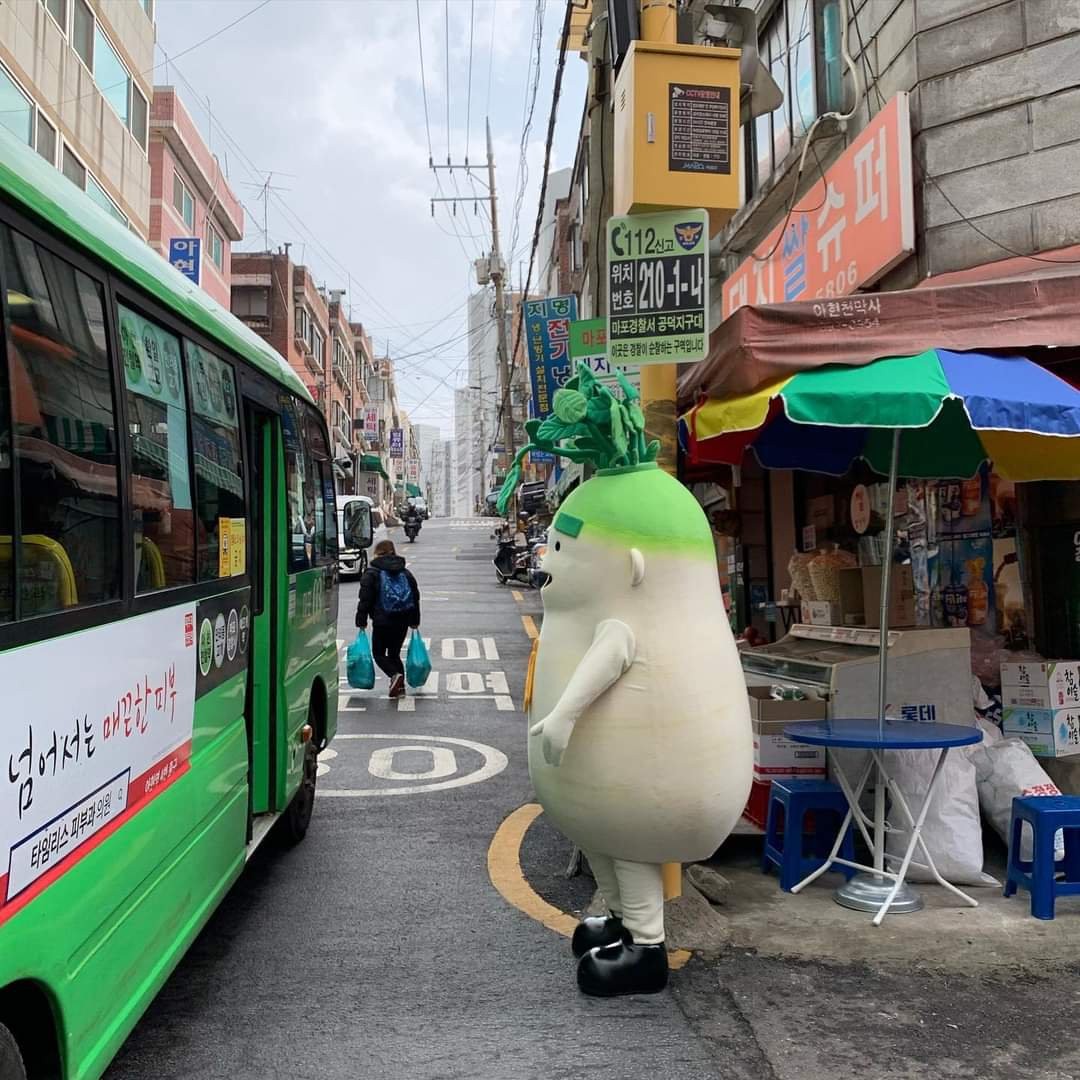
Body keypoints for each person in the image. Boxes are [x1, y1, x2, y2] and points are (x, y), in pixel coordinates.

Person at [355, 539, 421, 698]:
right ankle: (400, 687)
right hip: (402, 620)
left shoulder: (372, 573)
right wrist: (414, 620)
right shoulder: (405, 572)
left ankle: (394, 676)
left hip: (382, 621)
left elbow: (365, 599)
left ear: (377, 552)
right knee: (394, 654)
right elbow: (415, 597)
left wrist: (361, 620)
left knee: (378, 654)